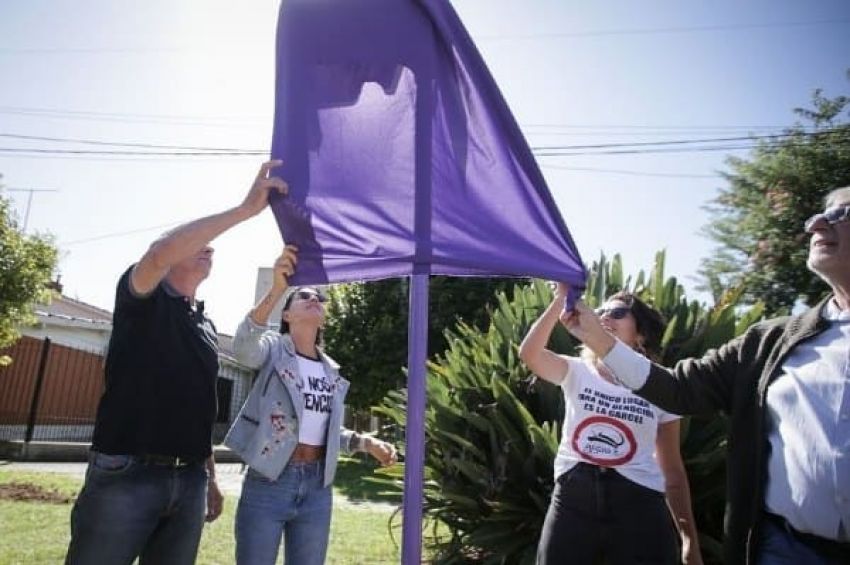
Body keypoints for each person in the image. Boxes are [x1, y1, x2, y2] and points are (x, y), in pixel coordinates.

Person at [561, 186, 850, 565]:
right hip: (787, 550)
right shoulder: (768, 343)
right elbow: (680, 388)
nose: (816, 223)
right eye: (820, 213)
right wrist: (598, 340)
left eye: (841, 214)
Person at [65, 160, 288, 565]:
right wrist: (243, 211)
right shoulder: (142, 299)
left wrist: (210, 478)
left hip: (189, 481)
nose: (210, 248)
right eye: (198, 244)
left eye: (211, 248)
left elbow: (199, 406)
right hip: (126, 473)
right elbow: (159, 252)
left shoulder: (204, 323)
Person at [224, 245, 398, 565]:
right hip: (269, 481)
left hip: (318, 488)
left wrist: (365, 442)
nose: (314, 298)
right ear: (287, 315)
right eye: (303, 296)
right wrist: (278, 289)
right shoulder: (274, 351)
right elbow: (244, 349)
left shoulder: (331, 371)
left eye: (319, 297)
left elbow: (330, 432)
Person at [520, 286, 703, 564]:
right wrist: (560, 300)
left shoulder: (663, 384)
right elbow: (530, 354)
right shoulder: (577, 370)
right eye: (601, 311)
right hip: (574, 496)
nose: (605, 316)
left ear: (640, 333)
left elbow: (673, 471)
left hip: (639, 502)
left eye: (617, 312)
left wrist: (689, 539)